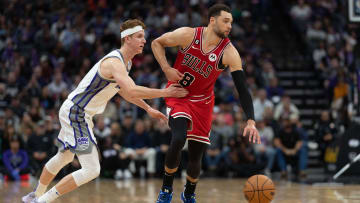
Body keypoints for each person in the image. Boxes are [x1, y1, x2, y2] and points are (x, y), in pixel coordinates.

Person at [22, 19, 188, 203]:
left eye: (144, 37)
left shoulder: (126, 64)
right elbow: (132, 89)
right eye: (140, 37)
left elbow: (125, 92)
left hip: (77, 112)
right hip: (76, 113)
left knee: (64, 156)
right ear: (127, 39)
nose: (144, 41)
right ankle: (41, 200)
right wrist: (166, 92)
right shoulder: (114, 62)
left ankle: (35, 195)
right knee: (92, 169)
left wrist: (148, 108)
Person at [151, 4, 260, 203]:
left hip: (203, 102)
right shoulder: (188, 35)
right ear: (212, 20)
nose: (229, 26)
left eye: (231, 22)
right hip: (178, 94)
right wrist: (166, 68)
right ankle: (166, 189)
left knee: (196, 155)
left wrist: (251, 120)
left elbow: (242, 88)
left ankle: (189, 193)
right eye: (225, 21)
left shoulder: (229, 52)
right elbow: (156, 43)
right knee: (178, 138)